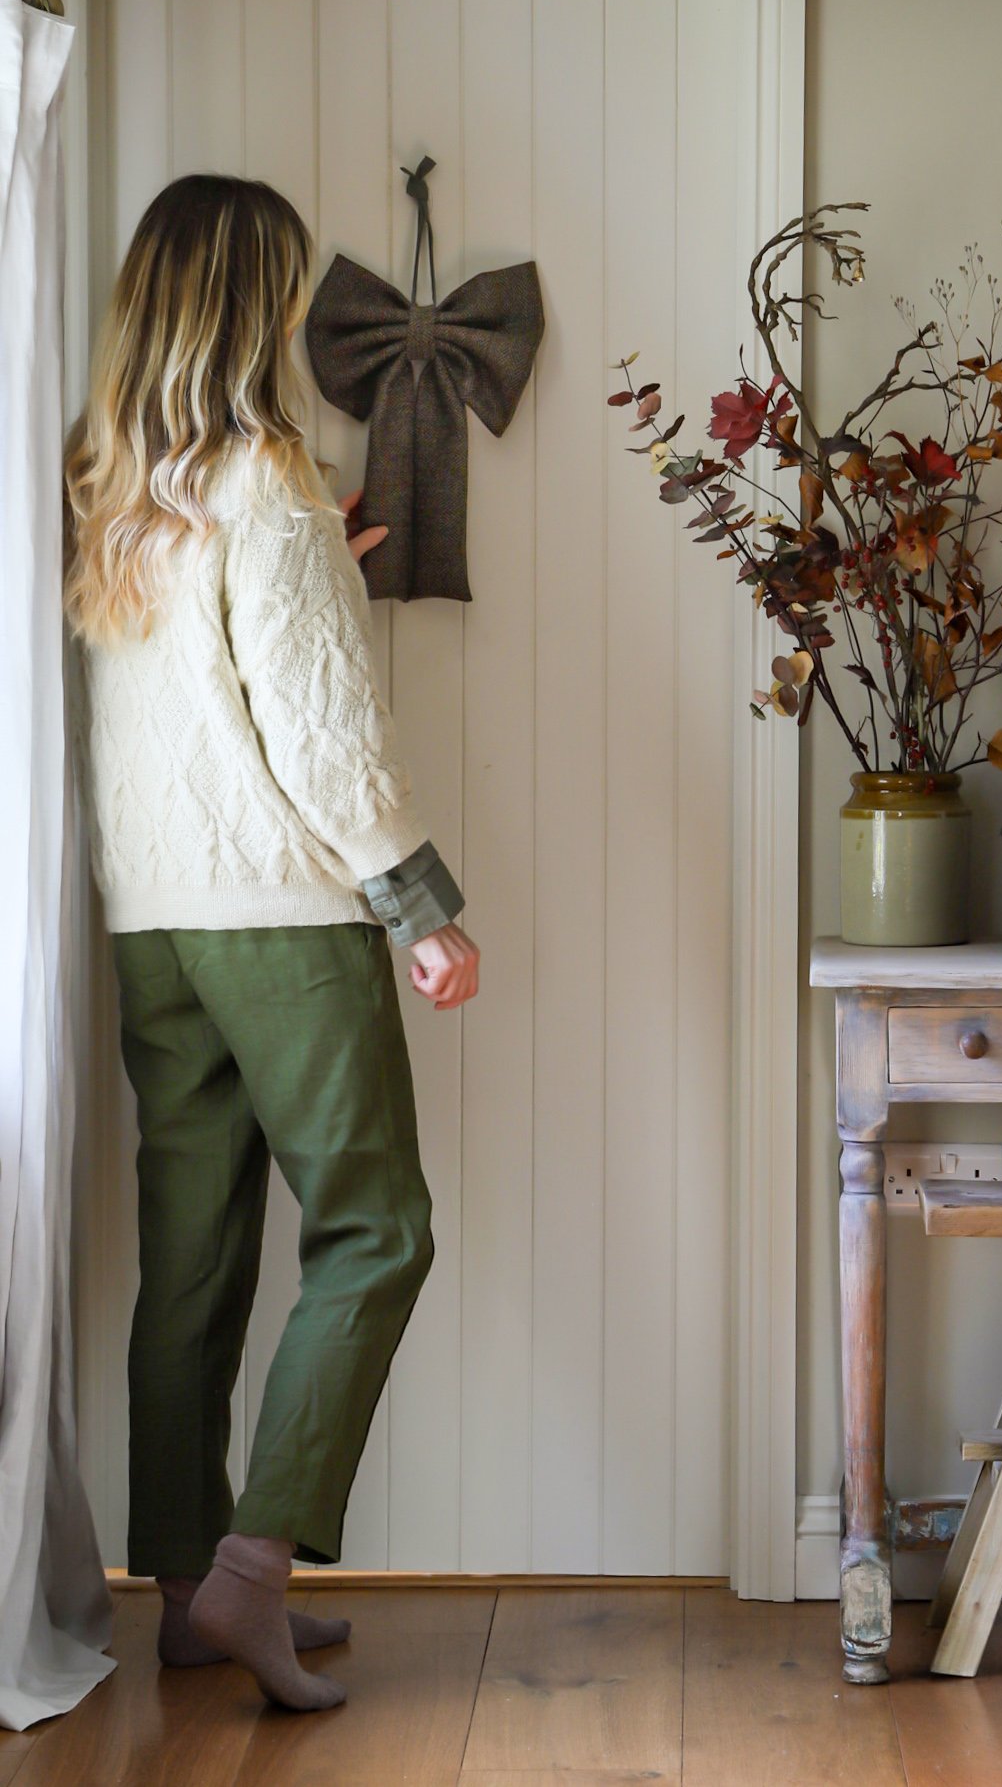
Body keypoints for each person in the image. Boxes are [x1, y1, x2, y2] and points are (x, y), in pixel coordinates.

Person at [63, 174, 480, 1714]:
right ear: (256, 305)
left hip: (154, 922)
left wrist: (320, 561)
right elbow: (311, 727)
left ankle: (181, 1590)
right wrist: (417, 901)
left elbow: (202, 693)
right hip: (282, 920)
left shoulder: (106, 484)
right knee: (375, 1228)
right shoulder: (271, 478)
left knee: (194, 1253)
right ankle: (250, 1580)